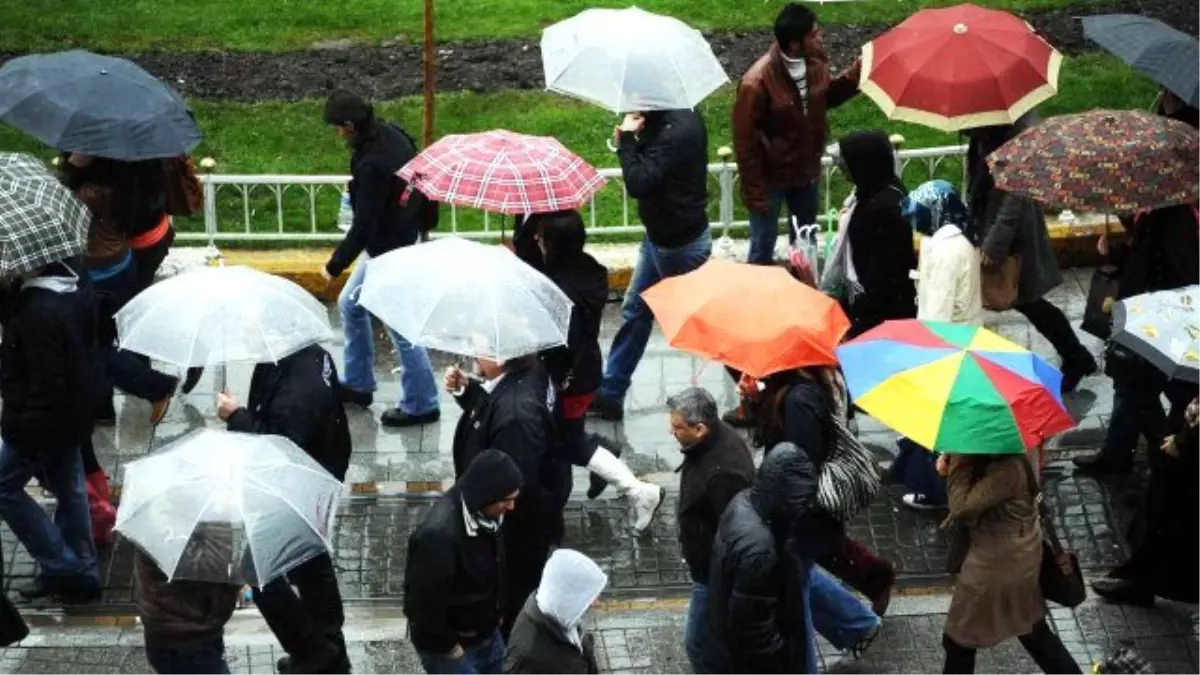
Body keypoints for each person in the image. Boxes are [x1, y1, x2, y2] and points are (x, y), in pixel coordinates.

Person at [215, 343, 352, 674]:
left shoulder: (296, 389)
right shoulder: (309, 354)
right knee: (311, 567)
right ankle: (333, 651)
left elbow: (279, 447)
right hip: (315, 480)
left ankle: (313, 652)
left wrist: (235, 416)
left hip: (292, 489)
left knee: (259, 574)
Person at [526, 211, 663, 532]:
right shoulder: (585, 269)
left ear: (554, 244)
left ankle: (638, 491)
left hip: (570, 379)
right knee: (564, 438)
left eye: (542, 236)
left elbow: (563, 343)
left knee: (565, 444)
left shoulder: (563, 290)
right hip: (585, 371)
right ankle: (604, 454)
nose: (536, 239)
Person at [320, 89, 440, 428]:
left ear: (349, 126)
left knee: (401, 326)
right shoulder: (393, 135)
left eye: (337, 127)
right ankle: (358, 383)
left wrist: (334, 265)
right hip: (401, 236)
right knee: (351, 305)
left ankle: (422, 403)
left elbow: (364, 225)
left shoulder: (372, 164)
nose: (336, 134)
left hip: (389, 250)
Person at [588, 108, 713, 421]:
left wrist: (628, 143)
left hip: (679, 246)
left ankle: (755, 383)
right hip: (662, 239)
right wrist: (635, 138)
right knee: (635, 312)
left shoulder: (676, 131)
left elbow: (640, 182)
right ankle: (611, 393)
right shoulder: (672, 120)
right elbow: (658, 170)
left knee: (707, 324)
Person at [965, 114, 1097, 393]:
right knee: (1026, 300)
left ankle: (1077, 357)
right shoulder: (982, 135)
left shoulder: (1014, 136)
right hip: (992, 223)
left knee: (1026, 298)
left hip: (1013, 233)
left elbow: (1018, 193)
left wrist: (996, 242)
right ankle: (1077, 356)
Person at [755, 366, 896, 615]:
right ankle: (873, 581)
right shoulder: (801, 385)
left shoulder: (799, 398)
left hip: (800, 492)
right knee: (819, 547)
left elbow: (804, 454)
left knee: (803, 554)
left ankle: (857, 621)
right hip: (796, 490)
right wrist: (757, 397)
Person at [0, 257, 101, 603]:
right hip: (70, 416)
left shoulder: (37, 312)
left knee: (4, 487)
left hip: (40, 422)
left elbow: (45, 382)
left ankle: (63, 566)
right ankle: (83, 572)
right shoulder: (71, 285)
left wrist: (26, 435)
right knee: (69, 489)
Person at [1072, 204, 1200, 474]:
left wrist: (1124, 255)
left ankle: (1164, 456)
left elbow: (1174, 267)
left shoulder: (1174, 216)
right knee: (1132, 386)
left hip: (1161, 318)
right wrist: (1118, 250)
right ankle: (1126, 453)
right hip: (1153, 315)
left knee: (1145, 387)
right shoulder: (1161, 212)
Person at [704, 443, 850, 674]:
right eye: (798, 503)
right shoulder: (760, 551)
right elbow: (755, 634)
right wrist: (785, 662)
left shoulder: (746, 501)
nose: (800, 511)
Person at [733, 2, 861, 265]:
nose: (820, 37)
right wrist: (755, 193)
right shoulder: (755, 83)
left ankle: (804, 294)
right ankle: (758, 301)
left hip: (806, 173)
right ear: (794, 43)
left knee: (806, 246)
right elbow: (745, 143)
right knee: (762, 248)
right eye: (814, 34)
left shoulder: (815, 63)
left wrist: (859, 73)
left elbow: (824, 97)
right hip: (771, 179)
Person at [937, 453, 1081, 674]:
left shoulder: (1007, 469)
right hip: (1019, 554)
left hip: (996, 563)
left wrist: (959, 462)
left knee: (959, 640)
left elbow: (962, 508)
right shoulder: (1019, 446)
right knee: (1033, 629)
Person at [446, 354, 557, 637]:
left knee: (512, 596)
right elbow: (492, 409)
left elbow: (513, 486)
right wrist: (469, 391)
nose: (473, 351)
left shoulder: (516, 416)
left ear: (502, 356)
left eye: (482, 346)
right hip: (531, 516)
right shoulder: (525, 376)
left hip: (517, 531)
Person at [891, 180, 983, 510]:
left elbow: (938, 311)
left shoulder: (945, 251)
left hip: (945, 347)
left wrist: (922, 354)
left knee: (937, 425)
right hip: (964, 339)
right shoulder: (958, 240)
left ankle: (935, 490)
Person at [405, 449, 523, 675]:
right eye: (506, 500)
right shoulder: (437, 537)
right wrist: (450, 647)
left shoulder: (489, 516)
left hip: (488, 634)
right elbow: (422, 607)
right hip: (453, 651)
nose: (511, 507)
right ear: (486, 495)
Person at [666, 387, 755, 674]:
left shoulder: (725, 474)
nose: (672, 432)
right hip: (708, 567)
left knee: (699, 644)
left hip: (713, 573)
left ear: (700, 428)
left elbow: (733, 534)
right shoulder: (712, 441)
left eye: (677, 427)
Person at [1092, 394, 1200, 606]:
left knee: (1171, 527)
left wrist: (1182, 442)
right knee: (1158, 524)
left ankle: (1143, 582)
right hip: (1181, 468)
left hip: (1189, 475)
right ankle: (1140, 579)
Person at [831, 130, 916, 338]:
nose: (842, 169)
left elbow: (882, 273)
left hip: (883, 317)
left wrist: (860, 319)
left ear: (864, 163)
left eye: (846, 163)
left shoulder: (885, 209)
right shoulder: (872, 191)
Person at [135, 526, 241, 675]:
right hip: (188, 642)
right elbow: (213, 572)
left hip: (172, 633)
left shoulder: (159, 515)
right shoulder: (175, 524)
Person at [502, 548, 606, 675]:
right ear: (567, 596)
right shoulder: (531, 661)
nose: (595, 603)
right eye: (587, 597)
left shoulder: (560, 616)